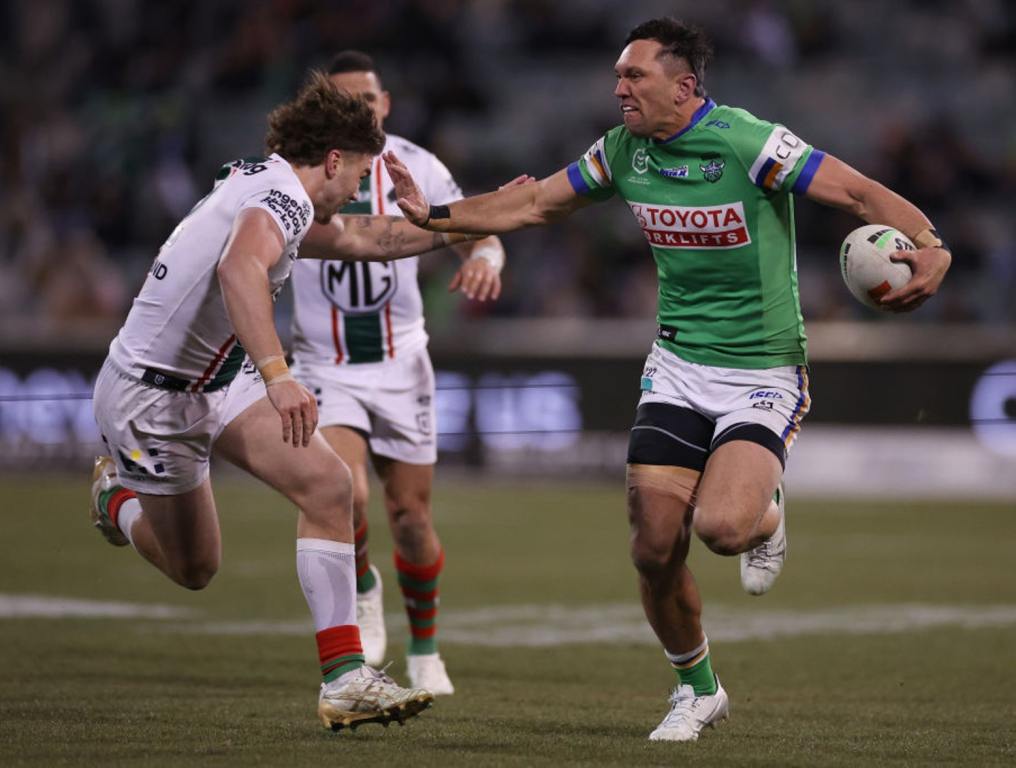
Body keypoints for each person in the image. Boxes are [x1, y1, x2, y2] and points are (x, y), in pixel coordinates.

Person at [382, 18, 951, 742]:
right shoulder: (621, 152)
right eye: (617, 76)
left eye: (634, 77)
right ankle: (698, 689)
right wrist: (432, 215)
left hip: (761, 372)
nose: (619, 88)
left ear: (683, 86)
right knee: (652, 545)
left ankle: (765, 515)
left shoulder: (750, 143)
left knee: (720, 528)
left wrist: (932, 246)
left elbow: (860, 193)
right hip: (678, 368)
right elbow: (533, 204)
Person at [88, 71, 482, 731]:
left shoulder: (270, 182)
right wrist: (278, 373)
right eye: (358, 174)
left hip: (218, 378)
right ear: (333, 159)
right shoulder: (281, 198)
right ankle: (114, 500)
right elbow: (239, 267)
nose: (359, 189)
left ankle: (345, 680)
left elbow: (363, 241)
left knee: (330, 488)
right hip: (152, 400)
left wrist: (470, 219)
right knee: (195, 568)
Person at [287, 50, 507, 695]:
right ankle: (359, 587)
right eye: (347, 100)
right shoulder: (299, 172)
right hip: (325, 365)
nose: (362, 109)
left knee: (410, 517)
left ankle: (426, 649)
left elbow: (473, 225)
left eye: (370, 99)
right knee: (344, 492)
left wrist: (488, 253)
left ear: (386, 105)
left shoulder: (418, 165)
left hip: (402, 362)